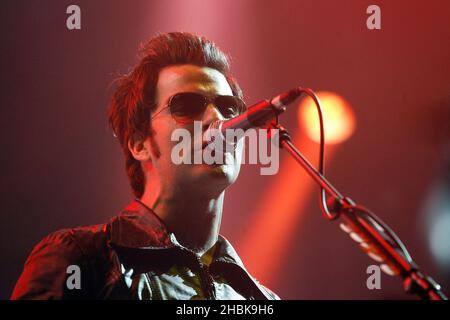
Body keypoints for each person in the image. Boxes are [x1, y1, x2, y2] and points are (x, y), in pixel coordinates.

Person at [11, 32, 280, 300]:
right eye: (187, 106)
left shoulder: (259, 299)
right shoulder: (83, 259)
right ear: (139, 143)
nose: (216, 118)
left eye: (229, 108)